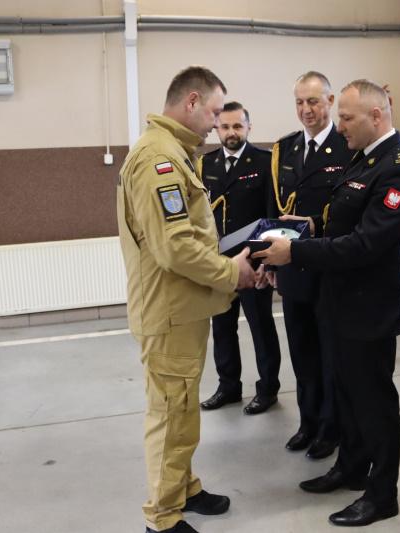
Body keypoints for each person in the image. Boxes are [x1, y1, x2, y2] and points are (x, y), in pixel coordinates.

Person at [254, 79, 400, 527]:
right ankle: (350, 468)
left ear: (376, 116)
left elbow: (365, 244)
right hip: (339, 303)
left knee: (374, 404)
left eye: (346, 117)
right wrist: (309, 225)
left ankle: (382, 494)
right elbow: (342, 218)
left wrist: (296, 252)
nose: (340, 125)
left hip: (369, 310)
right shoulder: (363, 157)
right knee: (346, 395)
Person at [117, 66, 256, 533]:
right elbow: (174, 248)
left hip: (182, 309)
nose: (218, 124)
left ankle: (183, 488)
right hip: (169, 313)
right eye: (215, 113)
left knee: (182, 408)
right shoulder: (158, 159)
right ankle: (161, 517)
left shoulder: (174, 151)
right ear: (192, 102)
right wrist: (232, 273)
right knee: (170, 412)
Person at [269, 71, 354, 459]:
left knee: (328, 355)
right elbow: (274, 211)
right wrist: (269, 263)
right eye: (300, 102)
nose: (306, 110)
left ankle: (330, 428)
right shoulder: (285, 149)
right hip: (292, 270)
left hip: (328, 269)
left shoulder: (347, 147)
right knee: (301, 353)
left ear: (330, 102)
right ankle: (308, 422)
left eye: (314, 102)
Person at [197, 102, 283, 415]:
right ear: (216, 129)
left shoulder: (266, 161)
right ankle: (229, 386)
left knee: (261, 327)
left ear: (249, 127)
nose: (231, 132)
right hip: (220, 264)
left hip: (253, 262)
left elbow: (272, 216)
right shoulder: (205, 165)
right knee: (222, 326)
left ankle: (268, 389)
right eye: (225, 126)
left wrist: (267, 263)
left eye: (237, 126)